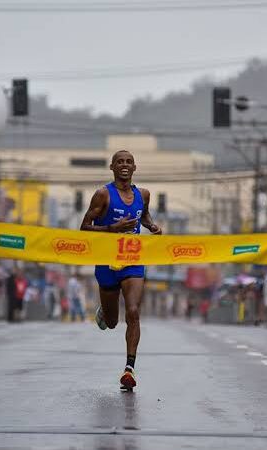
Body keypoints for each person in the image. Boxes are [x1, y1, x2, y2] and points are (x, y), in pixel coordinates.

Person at [80, 150, 162, 390]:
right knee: (113, 322)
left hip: (133, 259)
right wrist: (111, 229)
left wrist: (152, 226)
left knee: (134, 311)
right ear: (112, 167)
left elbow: (143, 215)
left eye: (128, 162)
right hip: (106, 261)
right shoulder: (102, 195)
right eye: (120, 162)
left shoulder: (143, 194)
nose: (124, 166)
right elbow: (84, 227)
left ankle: (129, 368)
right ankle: (105, 311)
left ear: (135, 167)